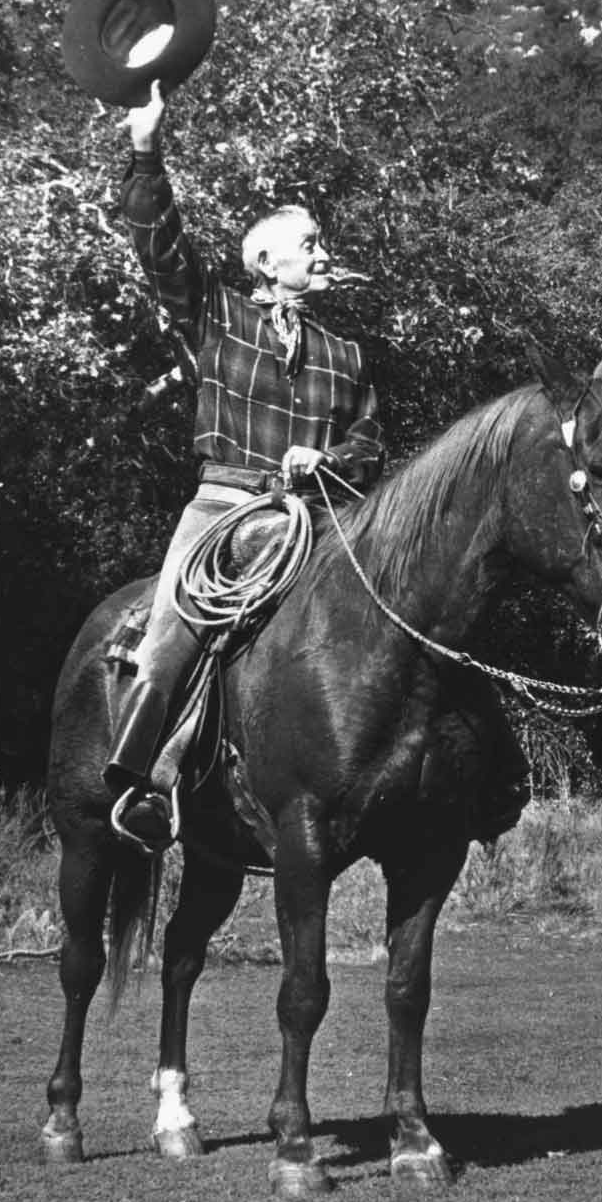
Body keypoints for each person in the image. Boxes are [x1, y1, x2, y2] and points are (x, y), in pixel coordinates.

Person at [104, 79, 385, 851]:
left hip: (317, 520)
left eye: (323, 245)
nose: (324, 254)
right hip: (223, 511)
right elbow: (158, 242)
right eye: (311, 244)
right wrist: (145, 147)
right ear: (265, 261)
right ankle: (145, 785)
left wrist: (323, 459)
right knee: (174, 630)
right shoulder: (216, 315)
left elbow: (370, 448)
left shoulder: (347, 354)